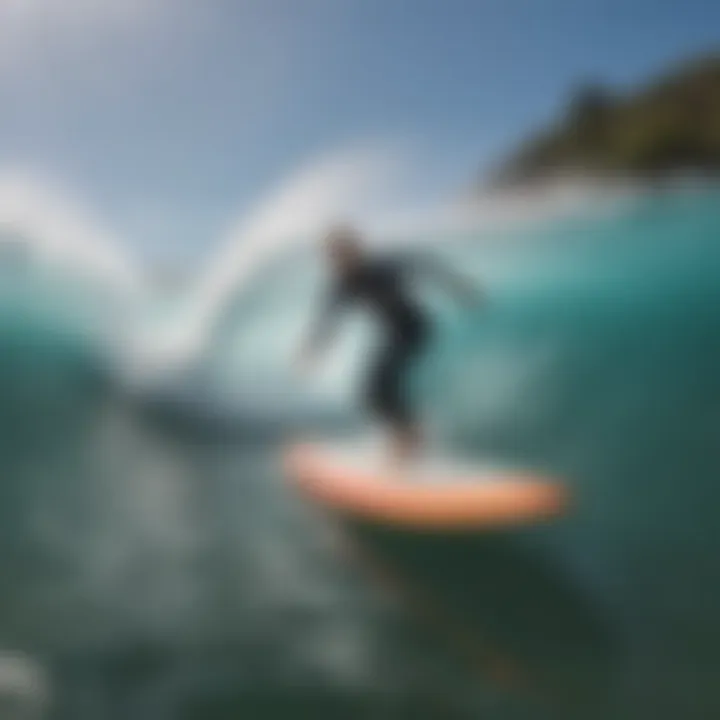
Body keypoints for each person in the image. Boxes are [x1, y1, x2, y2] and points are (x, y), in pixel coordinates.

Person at [297, 224, 482, 465]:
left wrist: (460, 287)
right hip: (394, 334)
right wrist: (313, 349)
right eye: (335, 255)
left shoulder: (383, 266)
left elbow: (425, 264)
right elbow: (329, 319)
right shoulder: (342, 285)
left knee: (381, 386)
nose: (341, 259)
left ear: (357, 249)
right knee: (370, 392)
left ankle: (408, 440)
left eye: (345, 251)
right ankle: (408, 436)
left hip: (416, 328)